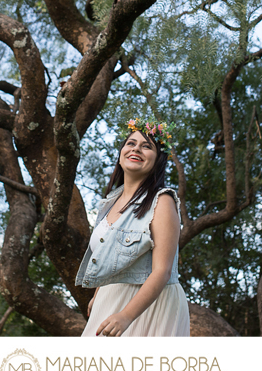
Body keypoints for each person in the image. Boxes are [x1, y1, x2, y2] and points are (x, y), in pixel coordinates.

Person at [76, 119, 190, 337]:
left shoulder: (161, 201)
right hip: (110, 299)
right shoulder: (109, 202)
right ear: (121, 154)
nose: (136, 148)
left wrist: (126, 315)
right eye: (131, 143)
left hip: (148, 306)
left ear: (157, 160)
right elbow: (110, 255)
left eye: (146, 146)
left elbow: (162, 271)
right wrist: (99, 292)